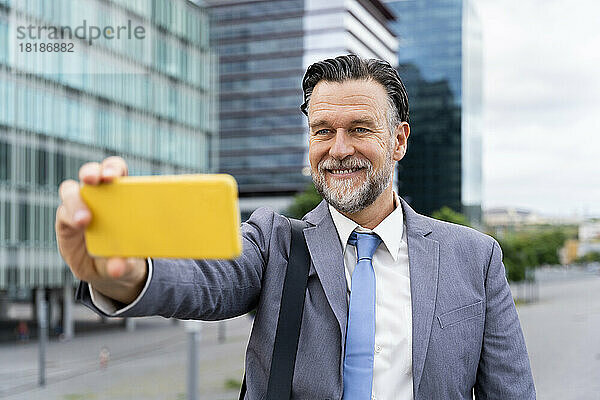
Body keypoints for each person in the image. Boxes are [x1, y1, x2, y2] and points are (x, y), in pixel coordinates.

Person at [56, 55, 536, 399]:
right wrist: (122, 272)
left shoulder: (475, 256)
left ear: (399, 140)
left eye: (360, 129)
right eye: (323, 130)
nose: (338, 148)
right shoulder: (273, 242)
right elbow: (204, 278)